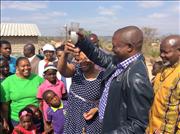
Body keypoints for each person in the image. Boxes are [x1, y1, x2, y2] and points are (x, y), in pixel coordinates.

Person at [66, 25, 154, 133]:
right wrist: (82, 41)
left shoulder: (136, 79)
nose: (112, 49)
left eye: (115, 46)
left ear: (129, 47)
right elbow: (100, 57)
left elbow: (138, 124)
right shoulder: (121, 62)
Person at [58, 48, 103, 133]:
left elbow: (109, 98)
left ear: (93, 59)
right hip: (73, 116)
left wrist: (97, 109)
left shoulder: (102, 76)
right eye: (80, 60)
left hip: (91, 118)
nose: (83, 63)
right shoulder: (76, 70)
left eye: (86, 60)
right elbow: (62, 70)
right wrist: (65, 53)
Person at [147, 35, 180, 134]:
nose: (161, 55)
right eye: (161, 51)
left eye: (166, 52)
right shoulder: (163, 69)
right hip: (152, 128)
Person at [0, 57, 44, 130]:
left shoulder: (38, 79)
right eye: (23, 66)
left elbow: (44, 99)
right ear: (17, 67)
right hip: (17, 121)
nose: (26, 68)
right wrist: (5, 121)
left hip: (36, 120)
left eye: (28, 65)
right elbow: (5, 106)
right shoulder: (8, 82)